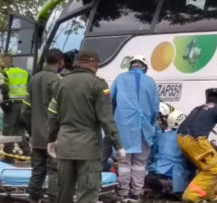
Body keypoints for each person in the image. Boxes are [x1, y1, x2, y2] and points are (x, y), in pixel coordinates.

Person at [47, 50, 126, 203]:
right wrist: (118, 145)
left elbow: (52, 116)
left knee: (64, 194)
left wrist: (51, 140)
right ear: (95, 65)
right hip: (88, 149)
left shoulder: (60, 83)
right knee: (87, 194)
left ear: (78, 63)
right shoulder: (98, 84)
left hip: (65, 147)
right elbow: (106, 118)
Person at [111, 54, 159, 202]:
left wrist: (115, 118)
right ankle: (136, 192)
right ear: (144, 67)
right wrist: (150, 124)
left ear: (130, 66)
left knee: (124, 162)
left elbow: (111, 100)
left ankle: (123, 192)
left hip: (123, 126)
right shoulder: (150, 82)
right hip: (143, 127)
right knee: (140, 162)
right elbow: (155, 107)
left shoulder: (120, 79)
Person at [21, 49, 64, 203]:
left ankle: (33, 199)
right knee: (54, 170)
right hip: (54, 137)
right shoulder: (58, 81)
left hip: (37, 136)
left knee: (37, 170)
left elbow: (25, 111)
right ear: (61, 62)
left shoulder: (33, 79)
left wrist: (32, 131)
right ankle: (53, 199)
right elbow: (60, 112)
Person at [177, 88, 217, 203]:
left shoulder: (198, 108)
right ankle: (191, 196)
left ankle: (206, 194)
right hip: (195, 140)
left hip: (181, 139)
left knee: (206, 167)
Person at [147, 109, 192, 200]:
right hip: (178, 180)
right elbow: (192, 163)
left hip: (156, 178)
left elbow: (151, 156)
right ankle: (175, 190)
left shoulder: (162, 136)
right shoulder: (188, 139)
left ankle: (162, 190)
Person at [0, 53, 31, 158]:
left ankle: (8, 152)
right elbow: (30, 87)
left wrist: (6, 100)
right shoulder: (24, 72)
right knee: (19, 129)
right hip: (23, 104)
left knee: (8, 129)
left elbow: (4, 87)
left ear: (4, 62)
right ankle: (27, 150)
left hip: (11, 105)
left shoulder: (5, 73)